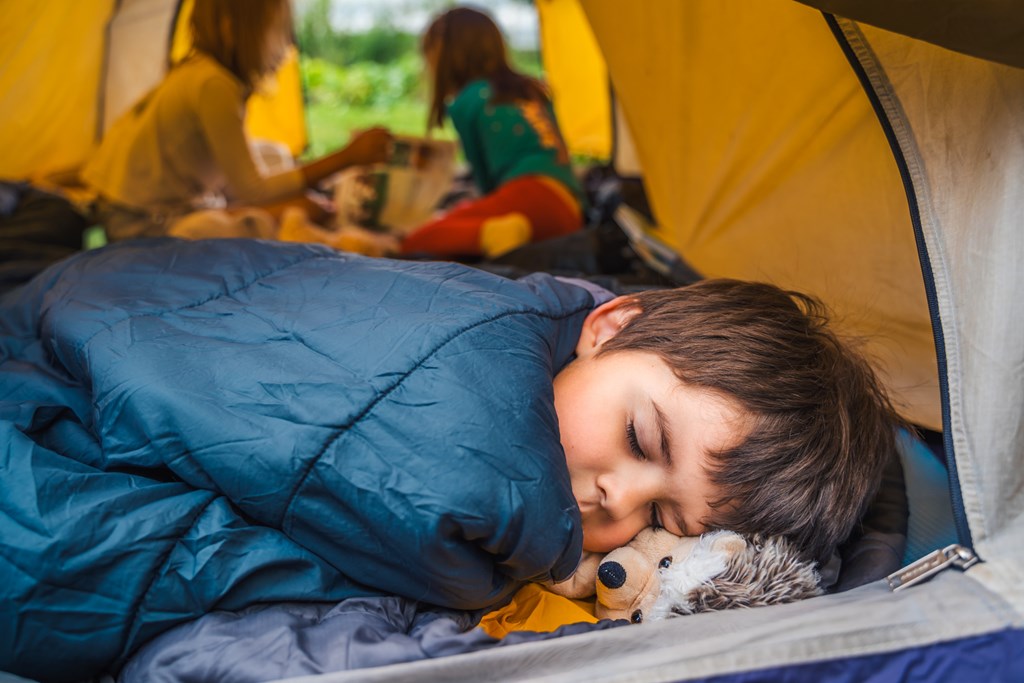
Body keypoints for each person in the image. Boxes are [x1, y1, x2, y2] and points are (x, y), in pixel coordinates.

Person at [0, 237, 901, 678]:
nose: (612, 500)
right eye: (641, 439)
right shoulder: (476, 379)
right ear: (608, 326)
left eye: (663, 521)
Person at [81, 0, 394, 252]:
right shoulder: (213, 84)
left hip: (135, 210)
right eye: (277, 32)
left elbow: (240, 174)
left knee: (274, 156)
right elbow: (253, 190)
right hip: (145, 226)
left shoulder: (201, 72)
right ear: (231, 30)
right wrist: (346, 157)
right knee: (303, 210)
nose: (285, 49)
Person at [399, 6, 585, 259]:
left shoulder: (468, 100)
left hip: (526, 202)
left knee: (416, 240)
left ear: (446, 55)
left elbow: (486, 182)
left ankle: (495, 234)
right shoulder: (532, 89)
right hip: (570, 211)